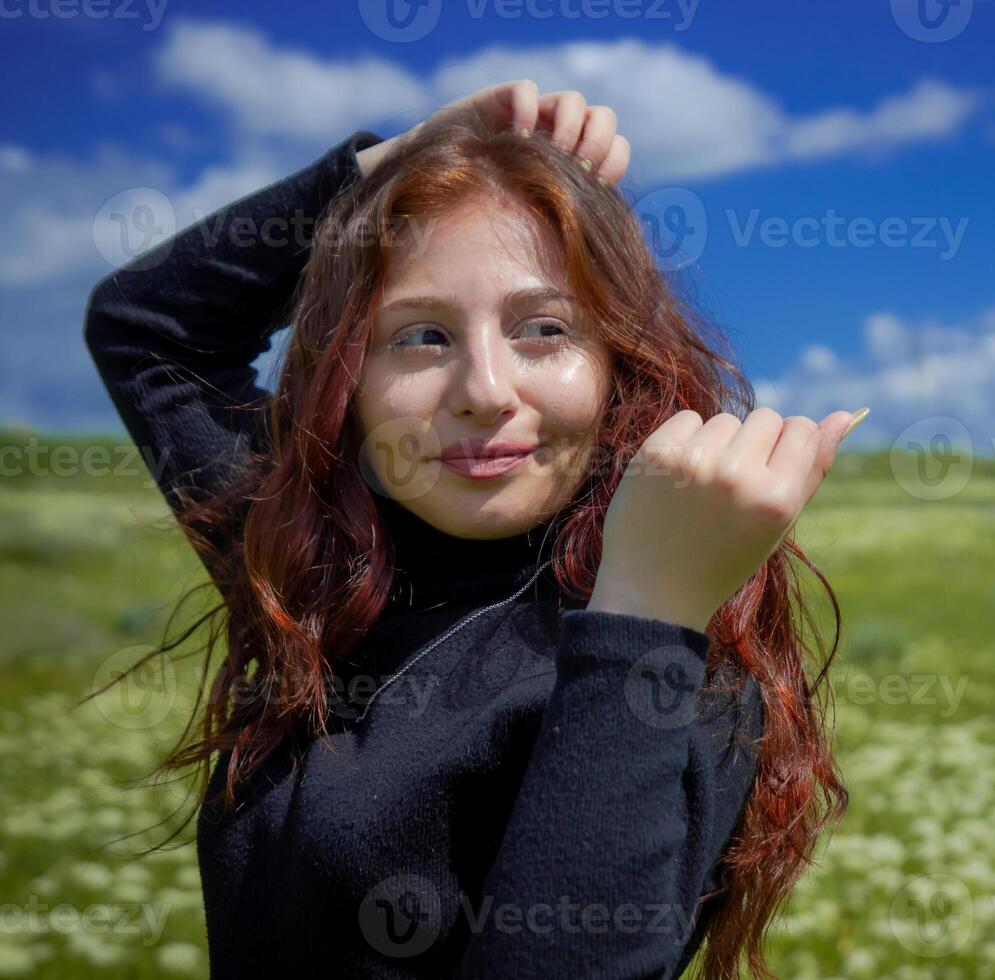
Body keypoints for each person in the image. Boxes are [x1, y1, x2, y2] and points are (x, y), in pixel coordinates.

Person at [84, 79, 862, 979]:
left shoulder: (672, 667)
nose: (486, 390)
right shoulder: (314, 556)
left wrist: (646, 609)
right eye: (419, 337)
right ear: (350, 375)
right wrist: (395, 158)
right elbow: (146, 332)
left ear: (620, 366)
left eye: (542, 328)